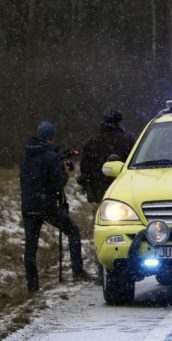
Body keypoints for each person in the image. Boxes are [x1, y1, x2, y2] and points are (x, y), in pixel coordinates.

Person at [20, 121, 90, 293]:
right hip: (46, 205)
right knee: (72, 231)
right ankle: (77, 271)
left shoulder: (26, 154)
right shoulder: (50, 156)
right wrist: (64, 170)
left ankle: (33, 286)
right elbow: (58, 182)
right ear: (51, 138)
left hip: (28, 205)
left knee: (30, 246)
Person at [78, 110, 135, 283]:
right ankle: (123, 265)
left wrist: (89, 184)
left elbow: (84, 168)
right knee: (122, 233)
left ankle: (101, 270)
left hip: (98, 194)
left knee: (100, 232)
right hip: (122, 195)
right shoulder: (127, 140)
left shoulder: (93, 141)